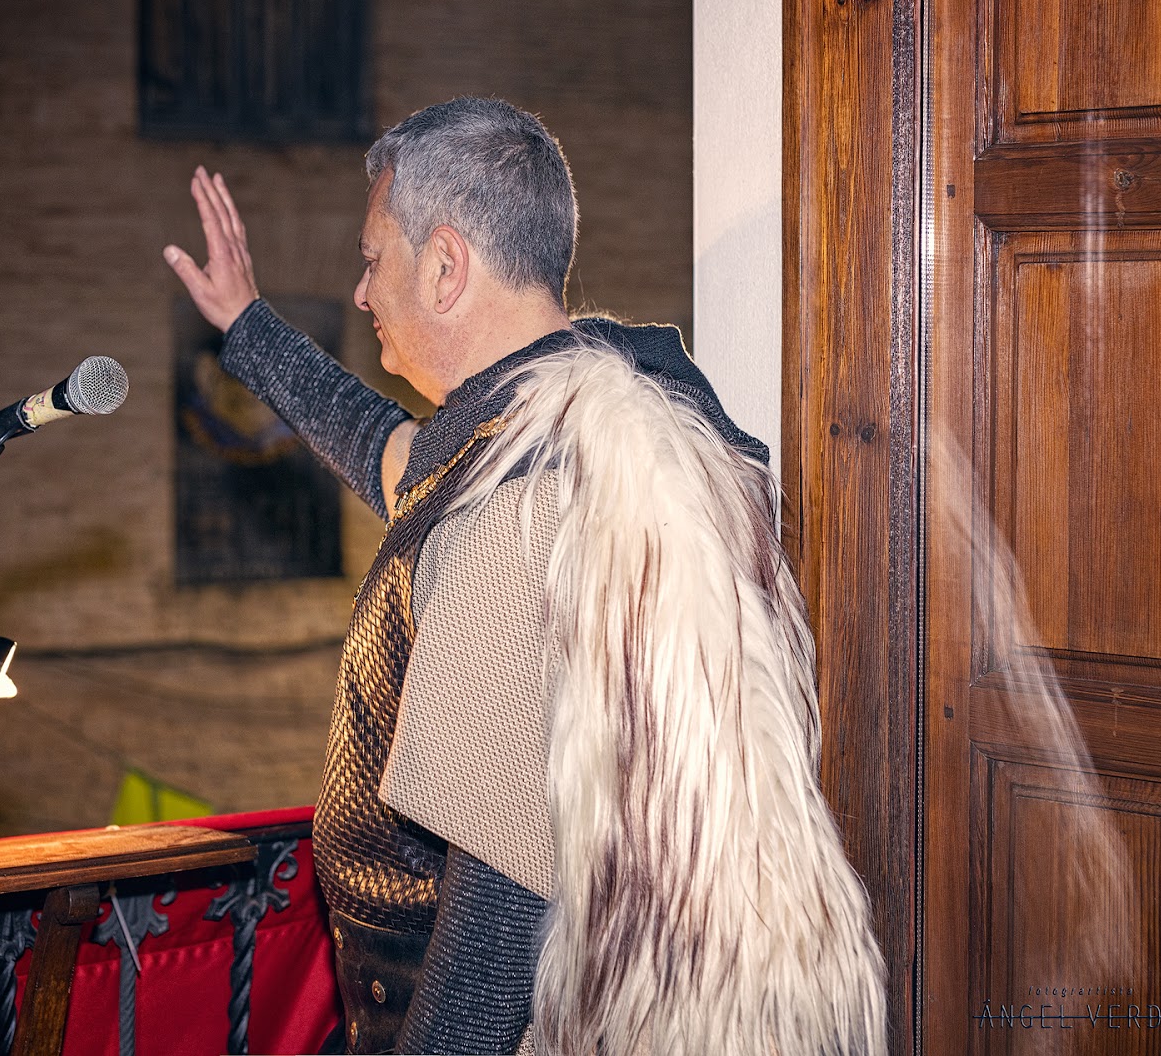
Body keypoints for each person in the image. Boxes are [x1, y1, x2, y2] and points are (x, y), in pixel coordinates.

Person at [163, 97, 884, 1055]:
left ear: (446, 266)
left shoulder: (514, 511)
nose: (362, 293)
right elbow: (400, 460)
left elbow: (497, 906)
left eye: (373, 259)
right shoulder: (626, 432)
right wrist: (250, 327)